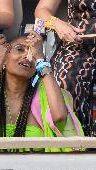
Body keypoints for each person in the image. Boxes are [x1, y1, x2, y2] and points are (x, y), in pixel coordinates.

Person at [0, 33, 84, 152]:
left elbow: (59, 117)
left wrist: (41, 60)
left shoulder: (47, 91)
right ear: (5, 57)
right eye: (20, 49)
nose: (27, 56)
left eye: (34, 53)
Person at [35, 0, 95, 136]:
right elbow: (42, 10)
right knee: (67, 79)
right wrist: (57, 24)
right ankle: (77, 144)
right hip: (78, 43)